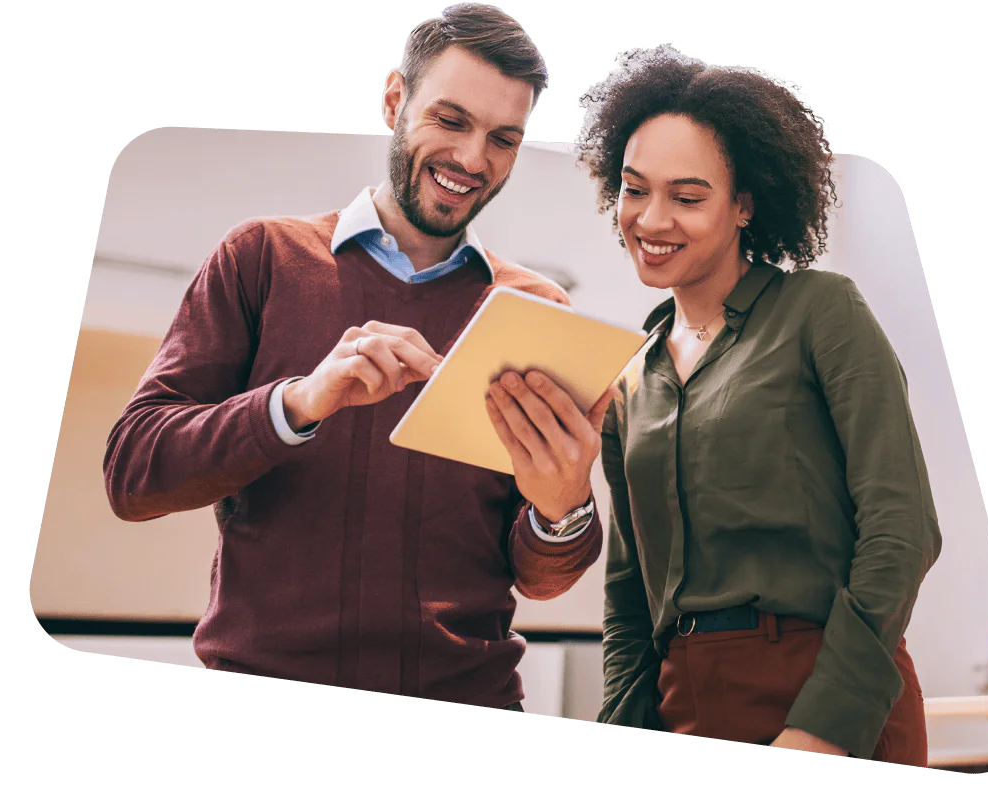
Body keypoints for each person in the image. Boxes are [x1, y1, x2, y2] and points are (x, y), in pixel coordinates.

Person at [103, 3, 608, 711]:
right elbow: (132, 474)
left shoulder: (536, 310)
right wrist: (298, 403)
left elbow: (541, 576)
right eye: (452, 120)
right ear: (395, 98)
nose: (473, 160)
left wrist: (564, 511)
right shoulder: (263, 259)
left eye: (505, 138)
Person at [575, 45, 942, 766]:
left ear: (746, 204)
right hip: (685, 708)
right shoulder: (629, 380)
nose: (650, 220)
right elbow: (628, 599)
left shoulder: (819, 312)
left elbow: (903, 530)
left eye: (687, 197)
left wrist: (824, 728)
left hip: (831, 698)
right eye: (633, 189)